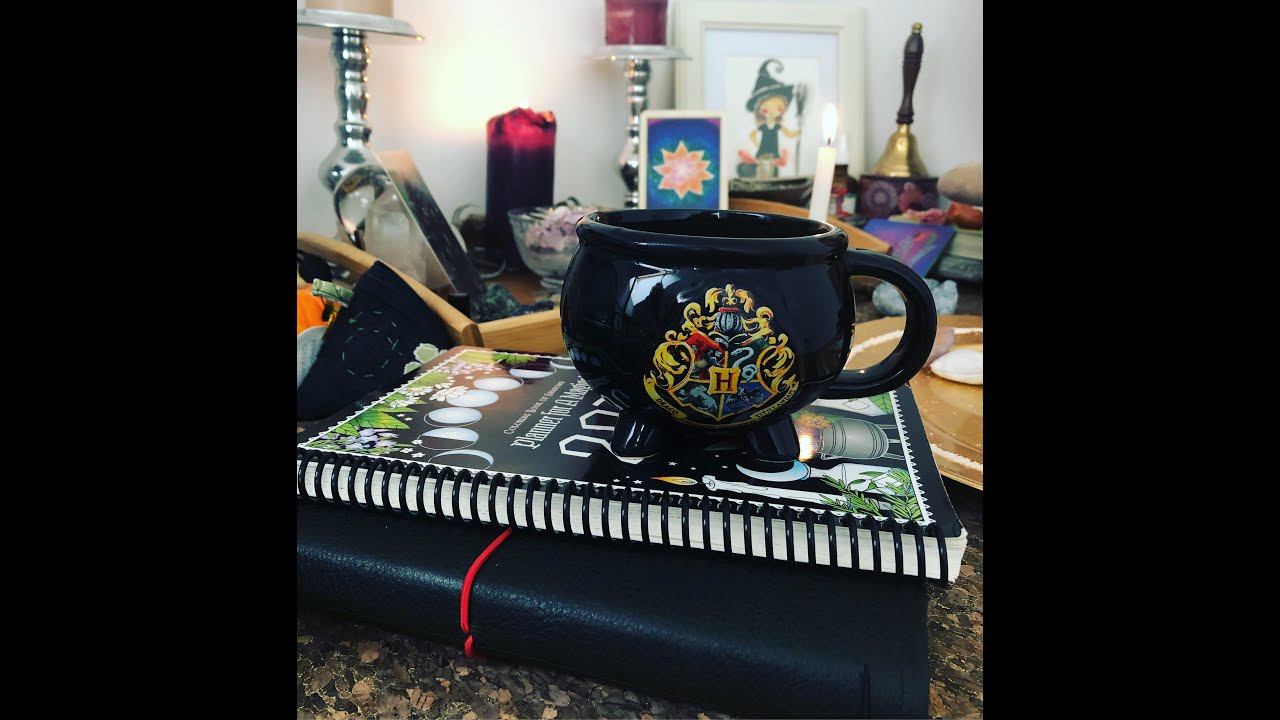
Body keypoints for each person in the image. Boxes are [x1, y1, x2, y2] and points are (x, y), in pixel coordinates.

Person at [738, 59, 800, 178]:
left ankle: (772, 176)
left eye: (779, 108)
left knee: (773, 166)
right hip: (764, 149)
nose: (772, 112)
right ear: (760, 111)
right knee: (763, 165)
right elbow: (753, 134)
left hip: (773, 149)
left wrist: (797, 133)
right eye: (766, 110)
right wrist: (756, 143)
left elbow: (787, 133)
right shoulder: (762, 126)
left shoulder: (777, 126)